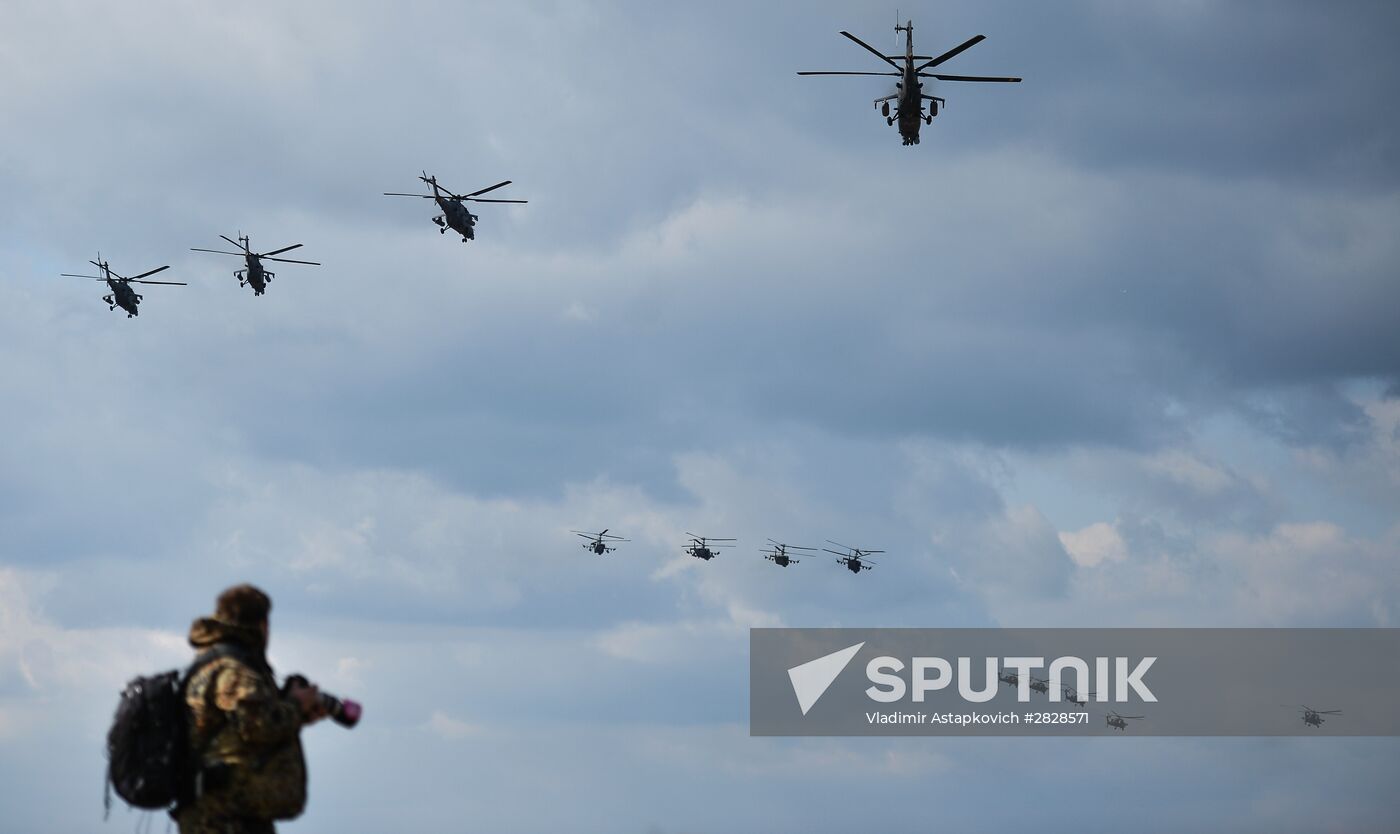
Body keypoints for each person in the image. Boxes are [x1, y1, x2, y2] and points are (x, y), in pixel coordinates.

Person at [174, 584, 325, 834]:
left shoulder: (214, 664)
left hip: (229, 817)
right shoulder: (233, 670)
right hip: (222, 819)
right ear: (263, 625)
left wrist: (293, 714)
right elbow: (257, 726)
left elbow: (236, 733)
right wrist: (297, 705)